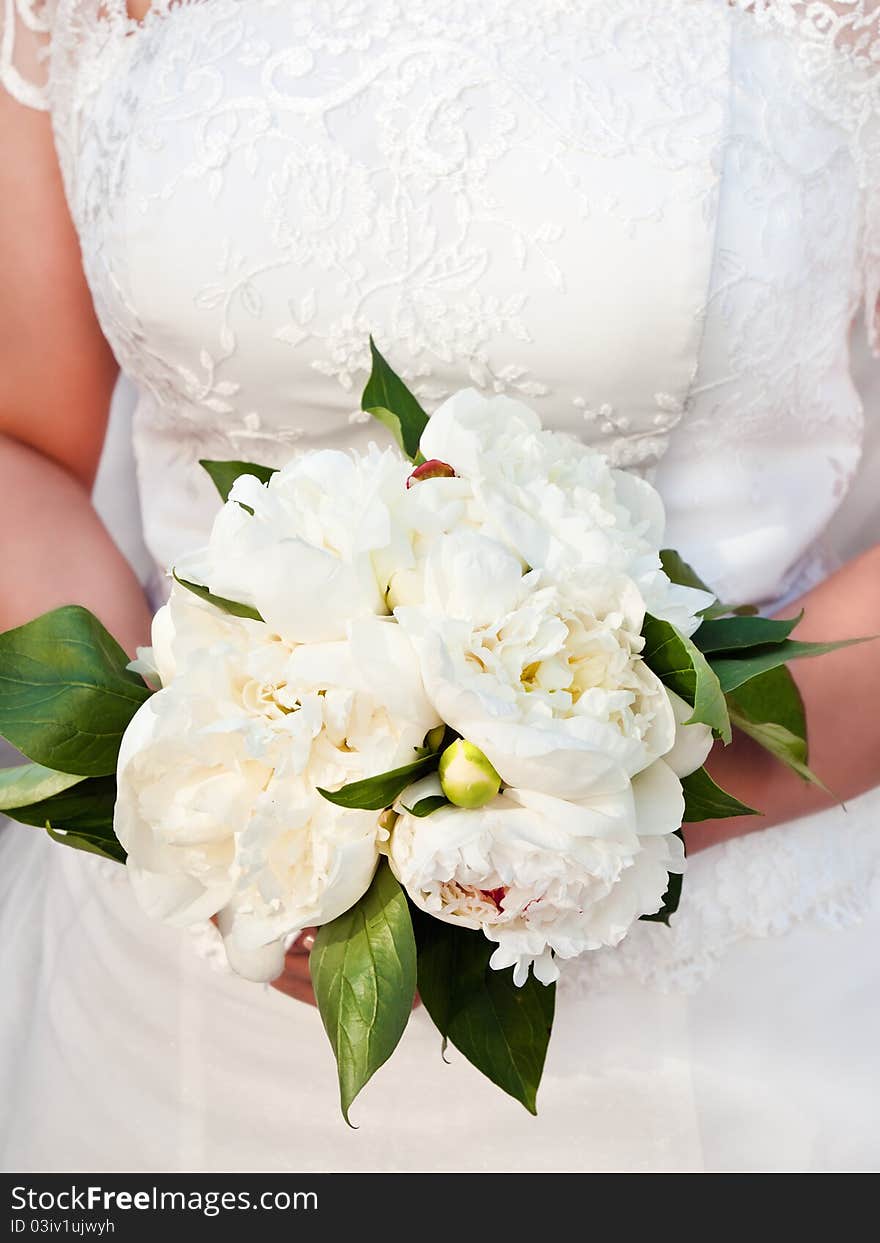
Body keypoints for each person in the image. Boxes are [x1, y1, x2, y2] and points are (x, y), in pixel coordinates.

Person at [1, 0, 879, 1172]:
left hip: (720, 990)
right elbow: (23, 444)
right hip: (186, 997)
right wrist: (184, 790)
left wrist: (579, 816)